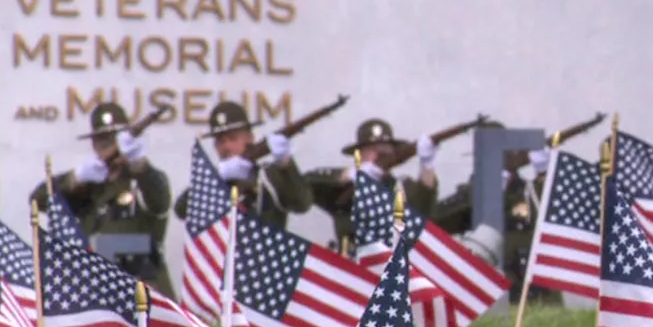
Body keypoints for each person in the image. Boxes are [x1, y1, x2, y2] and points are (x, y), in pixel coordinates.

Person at [30, 101, 175, 298]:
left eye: (112, 139)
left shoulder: (141, 180)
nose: (107, 146)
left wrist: (140, 165)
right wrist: (75, 178)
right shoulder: (88, 188)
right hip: (100, 295)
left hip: (143, 293)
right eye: (101, 140)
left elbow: (160, 200)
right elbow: (38, 200)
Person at [433, 137, 555, 303]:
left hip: (530, 292)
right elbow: (438, 219)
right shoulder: (469, 193)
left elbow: (551, 214)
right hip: (481, 294)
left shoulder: (529, 191)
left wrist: (544, 174)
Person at [173, 100, 313, 230]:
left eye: (233, 138)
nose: (226, 146)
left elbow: (302, 204)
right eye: (220, 141)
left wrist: (285, 162)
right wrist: (217, 179)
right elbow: (181, 210)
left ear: (249, 138)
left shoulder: (270, 175)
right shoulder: (213, 180)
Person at [306, 118, 438, 251]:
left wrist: (427, 166)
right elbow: (308, 185)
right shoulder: (344, 187)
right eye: (373, 149)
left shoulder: (402, 187)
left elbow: (424, 208)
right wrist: (353, 176)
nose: (379, 154)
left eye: (385, 151)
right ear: (359, 154)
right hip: (351, 264)